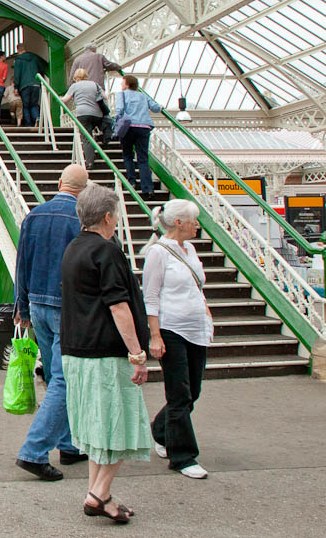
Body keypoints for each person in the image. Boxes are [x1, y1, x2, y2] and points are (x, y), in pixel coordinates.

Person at [61, 183, 151, 524]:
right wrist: (137, 354)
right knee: (121, 425)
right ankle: (97, 495)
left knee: (98, 430)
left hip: (77, 350)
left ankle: (102, 495)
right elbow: (118, 305)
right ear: (109, 216)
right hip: (105, 352)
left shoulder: (74, 248)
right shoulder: (107, 250)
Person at [14, 164, 89, 481]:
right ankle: (33, 451)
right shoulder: (82, 220)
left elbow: (22, 262)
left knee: (58, 376)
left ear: (59, 183)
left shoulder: (34, 215)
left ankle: (69, 444)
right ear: (83, 191)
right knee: (64, 379)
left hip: (37, 305)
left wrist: (22, 306)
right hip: (67, 308)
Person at [143, 200, 213, 479]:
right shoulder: (158, 253)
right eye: (194, 220)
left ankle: (160, 430)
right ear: (180, 222)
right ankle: (183, 456)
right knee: (180, 393)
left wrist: (206, 312)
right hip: (171, 329)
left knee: (192, 391)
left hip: (196, 327)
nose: (197, 225)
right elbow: (151, 295)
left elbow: (197, 286)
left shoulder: (191, 249)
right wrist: (155, 335)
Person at [114, 75, 161, 199]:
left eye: (122, 82)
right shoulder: (143, 96)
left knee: (128, 154)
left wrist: (115, 127)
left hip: (128, 127)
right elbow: (156, 108)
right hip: (144, 127)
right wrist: (162, 107)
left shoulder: (122, 95)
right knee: (143, 158)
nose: (121, 85)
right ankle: (148, 189)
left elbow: (119, 110)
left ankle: (132, 182)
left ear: (127, 84)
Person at [61, 69, 106, 169]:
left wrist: (58, 98)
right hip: (97, 114)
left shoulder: (75, 86)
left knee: (86, 138)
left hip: (82, 114)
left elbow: (65, 99)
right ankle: (102, 137)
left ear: (76, 78)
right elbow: (104, 96)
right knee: (95, 128)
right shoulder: (94, 84)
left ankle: (90, 162)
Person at [12, 43, 48, 127]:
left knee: (25, 106)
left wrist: (16, 87)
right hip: (36, 84)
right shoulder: (34, 57)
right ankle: (37, 118)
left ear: (18, 50)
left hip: (24, 86)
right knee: (34, 104)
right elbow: (42, 67)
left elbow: (17, 75)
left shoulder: (18, 60)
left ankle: (28, 125)